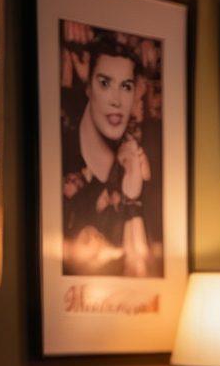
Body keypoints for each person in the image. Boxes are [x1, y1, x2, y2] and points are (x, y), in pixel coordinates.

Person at [61, 29, 160, 277]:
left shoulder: (145, 156)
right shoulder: (64, 147)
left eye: (125, 86)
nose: (117, 100)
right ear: (88, 87)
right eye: (105, 83)